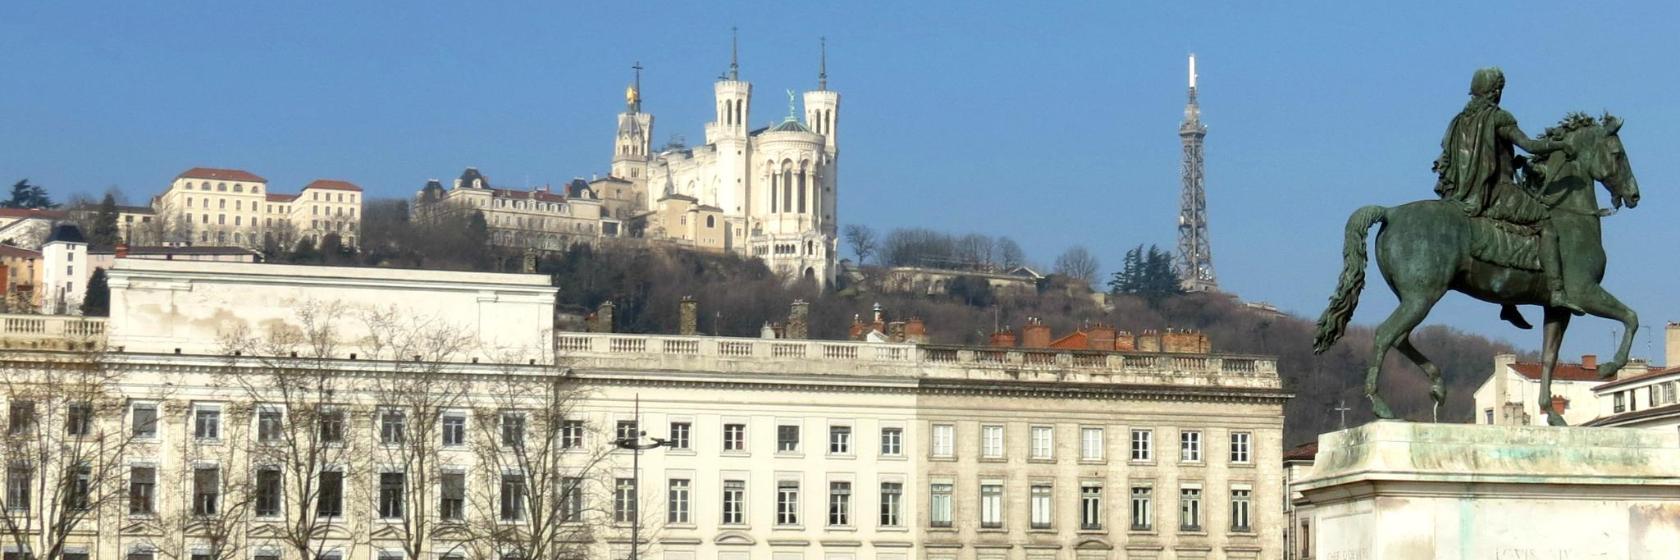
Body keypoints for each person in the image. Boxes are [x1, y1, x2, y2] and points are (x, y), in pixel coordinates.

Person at [1433, 67, 1581, 315]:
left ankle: (1509, 301)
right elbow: (1530, 145)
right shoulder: (1498, 118)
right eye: (1498, 89)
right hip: (1497, 191)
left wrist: (1516, 163)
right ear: (1494, 91)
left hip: (1464, 192)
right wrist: (1560, 146)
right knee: (1545, 223)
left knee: (1511, 234)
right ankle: (1556, 291)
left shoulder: (1458, 121)